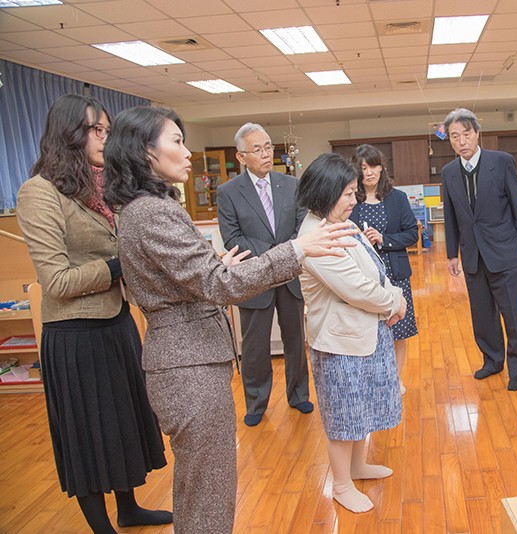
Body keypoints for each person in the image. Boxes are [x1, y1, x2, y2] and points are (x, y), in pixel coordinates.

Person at [102, 106, 357, 533]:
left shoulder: (145, 208)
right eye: (177, 142)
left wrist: (216, 265)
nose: (187, 154)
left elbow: (193, 277)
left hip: (188, 362)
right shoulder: (154, 212)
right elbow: (220, 285)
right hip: (188, 369)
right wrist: (297, 250)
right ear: (145, 152)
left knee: (200, 488)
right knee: (210, 492)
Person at [15, 94, 172, 534]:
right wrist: (121, 265)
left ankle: (129, 508)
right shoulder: (39, 192)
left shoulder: (102, 187)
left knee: (122, 423)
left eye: (106, 129)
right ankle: (101, 526)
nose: (105, 137)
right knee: (89, 434)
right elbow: (58, 280)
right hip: (75, 335)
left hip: (116, 324)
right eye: (96, 130)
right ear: (69, 135)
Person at [296, 153, 406, 513]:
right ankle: (341, 485)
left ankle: (358, 467)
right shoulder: (314, 236)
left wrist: (393, 292)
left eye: (355, 191)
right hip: (340, 342)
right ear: (326, 193)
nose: (354, 200)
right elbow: (356, 288)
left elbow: (375, 268)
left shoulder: (343, 223)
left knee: (363, 407)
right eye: (347, 193)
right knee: (344, 415)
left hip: (365, 332)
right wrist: (394, 302)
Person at [217, 123, 312, 426]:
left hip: (290, 276)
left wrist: (286, 253)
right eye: (257, 149)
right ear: (241, 157)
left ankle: (299, 394)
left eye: (268, 146)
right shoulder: (228, 192)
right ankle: (256, 402)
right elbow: (232, 237)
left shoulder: (291, 184)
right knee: (255, 346)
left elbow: (301, 227)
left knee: (296, 339)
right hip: (255, 279)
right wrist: (274, 253)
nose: (265, 153)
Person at [440, 107, 517, 391]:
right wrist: (451, 253)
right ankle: (492, 361)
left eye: (466, 134)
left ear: (477, 133)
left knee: (514, 314)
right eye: (455, 137)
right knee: (482, 315)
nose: (461, 141)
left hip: (504, 250)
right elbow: (451, 216)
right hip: (472, 255)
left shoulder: (502, 162)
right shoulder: (448, 172)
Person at [349, 144, 419, 395]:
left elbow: (412, 233)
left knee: (399, 329)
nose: (369, 172)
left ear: (381, 167)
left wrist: (383, 239)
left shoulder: (396, 198)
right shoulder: (350, 201)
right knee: (372, 329)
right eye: (363, 168)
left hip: (395, 272)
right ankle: (374, 379)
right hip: (364, 275)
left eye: (373, 166)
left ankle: (395, 379)